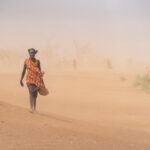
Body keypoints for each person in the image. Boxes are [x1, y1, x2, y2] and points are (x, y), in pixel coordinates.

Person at [20, 48, 45, 113]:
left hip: (36, 80)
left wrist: (42, 81)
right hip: (29, 79)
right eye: (31, 53)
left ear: (34, 53)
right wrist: (21, 79)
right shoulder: (26, 61)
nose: (32, 54)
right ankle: (31, 108)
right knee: (31, 92)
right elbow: (23, 71)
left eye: (33, 53)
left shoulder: (38, 61)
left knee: (35, 95)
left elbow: (39, 72)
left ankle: (34, 108)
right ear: (29, 53)